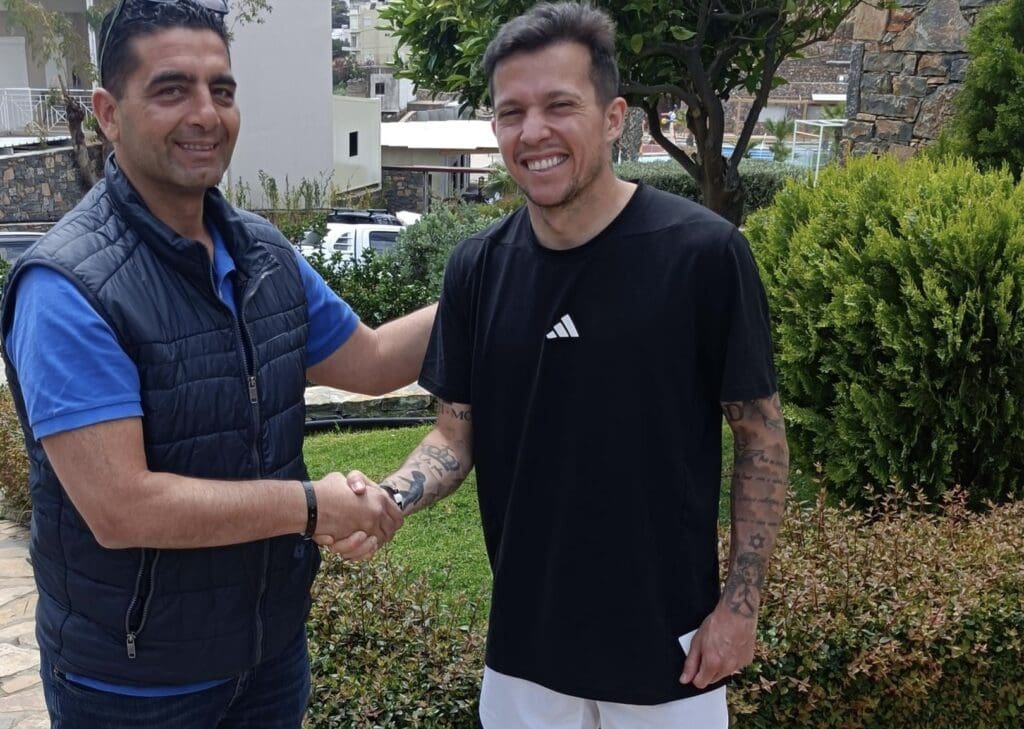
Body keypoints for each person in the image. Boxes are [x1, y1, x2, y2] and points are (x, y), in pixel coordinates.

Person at [334, 3, 789, 727]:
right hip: (525, 654)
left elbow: (761, 440)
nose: (533, 132)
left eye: (559, 106)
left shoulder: (704, 255)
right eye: (511, 112)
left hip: (670, 655)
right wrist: (389, 499)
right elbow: (453, 435)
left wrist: (741, 607)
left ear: (613, 118)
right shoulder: (477, 268)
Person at [0, 0, 431, 726]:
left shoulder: (264, 254)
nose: (206, 113)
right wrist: (312, 507)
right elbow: (121, 507)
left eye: (221, 90)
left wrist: (497, 278)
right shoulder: (68, 288)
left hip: (269, 658)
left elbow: (375, 360)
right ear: (109, 113)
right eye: (172, 89)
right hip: (135, 688)